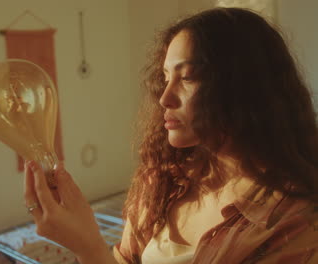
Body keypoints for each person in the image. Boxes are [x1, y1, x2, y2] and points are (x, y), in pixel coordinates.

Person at [23, 7, 318, 264]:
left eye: (187, 77)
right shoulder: (163, 178)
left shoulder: (294, 222)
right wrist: (85, 241)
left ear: (244, 88)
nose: (164, 98)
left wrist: (88, 247)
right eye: (165, 78)